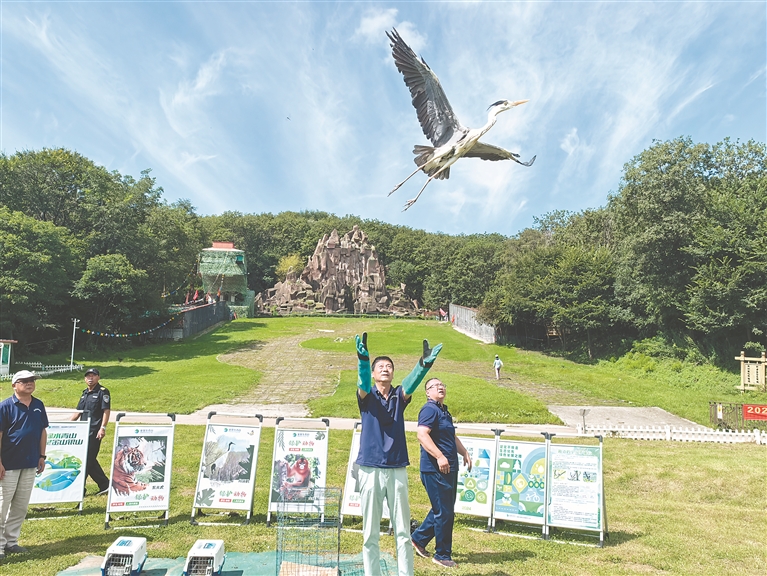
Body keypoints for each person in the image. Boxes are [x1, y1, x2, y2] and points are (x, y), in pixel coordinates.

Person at [355, 332, 442, 576]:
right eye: (380, 367)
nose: (385, 369)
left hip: (396, 469)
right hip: (370, 468)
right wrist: (363, 360)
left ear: (393, 374)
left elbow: (411, 383)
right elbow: (362, 381)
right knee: (370, 532)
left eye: (389, 367)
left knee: (403, 531)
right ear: (374, 373)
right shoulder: (366, 395)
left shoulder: (398, 396)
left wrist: (423, 365)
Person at [411, 378, 471, 568]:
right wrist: (439, 456)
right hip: (435, 469)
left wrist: (464, 452)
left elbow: (451, 436)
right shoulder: (429, 409)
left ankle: (418, 539)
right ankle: (442, 555)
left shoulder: (444, 411)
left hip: (448, 468)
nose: (440, 387)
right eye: (434, 386)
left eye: (442, 384)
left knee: (444, 509)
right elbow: (422, 434)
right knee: (444, 512)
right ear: (427, 392)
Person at [0, 371, 48, 560]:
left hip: (30, 462)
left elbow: (42, 431)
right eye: (25, 381)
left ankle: (11, 542)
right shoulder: (5, 406)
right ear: (14, 385)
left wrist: (42, 455)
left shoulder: (38, 405)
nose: (29, 383)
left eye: (32, 380)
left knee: (20, 506)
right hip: (8, 464)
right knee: (2, 506)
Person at [70, 368, 110, 495]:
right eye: (88, 376)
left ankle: (80, 489)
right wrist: (67, 425)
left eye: (93, 376)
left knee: (87, 459)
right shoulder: (84, 393)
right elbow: (78, 412)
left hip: (94, 431)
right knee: (88, 459)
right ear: (85, 379)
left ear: (98, 377)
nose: (90, 378)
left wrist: (103, 428)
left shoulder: (102, 392)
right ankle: (105, 485)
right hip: (82, 431)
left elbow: (106, 411)